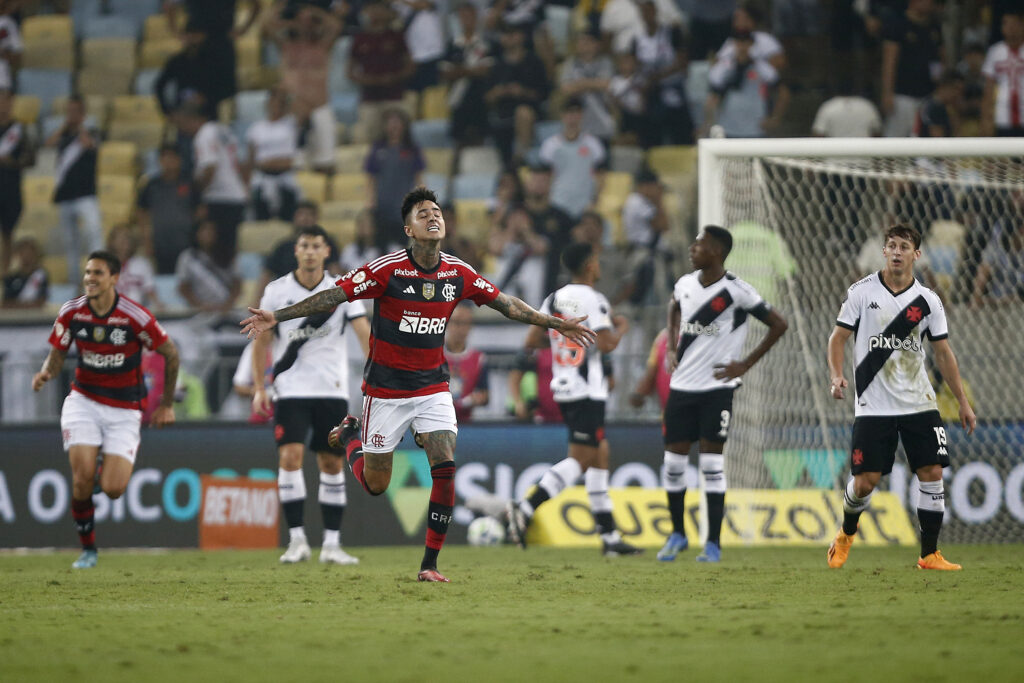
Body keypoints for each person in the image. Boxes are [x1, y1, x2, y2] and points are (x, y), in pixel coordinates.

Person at [241, 187, 597, 582]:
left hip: (432, 386)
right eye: (423, 213)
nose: (433, 217)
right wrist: (280, 316)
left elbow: (508, 304)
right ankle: (349, 438)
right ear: (408, 228)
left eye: (437, 211)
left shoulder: (457, 273)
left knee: (445, 465)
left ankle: (429, 565)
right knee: (376, 485)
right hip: (385, 390)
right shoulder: (387, 270)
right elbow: (332, 297)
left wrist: (553, 322)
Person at [827, 224, 976, 570]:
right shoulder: (861, 292)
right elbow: (837, 339)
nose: (896, 252)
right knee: (865, 483)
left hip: (919, 401)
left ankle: (929, 554)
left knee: (932, 471)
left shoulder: (928, 301)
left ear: (916, 255)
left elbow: (942, 353)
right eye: (891, 246)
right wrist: (836, 376)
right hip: (873, 404)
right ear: (884, 251)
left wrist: (963, 402)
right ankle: (846, 534)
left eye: (904, 247)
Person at [32, 250, 179, 569]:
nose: (90, 278)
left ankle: (103, 469)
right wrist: (46, 372)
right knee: (82, 478)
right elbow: (57, 352)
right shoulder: (72, 312)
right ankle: (88, 550)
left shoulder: (134, 316)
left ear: (114, 278)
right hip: (83, 401)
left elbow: (171, 354)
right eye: (87, 272)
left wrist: (166, 405)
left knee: (113, 489)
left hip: (125, 409)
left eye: (98, 273)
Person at [656, 226, 788, 563]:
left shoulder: (737, 291)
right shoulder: (684, 284)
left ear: (716, 251)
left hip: (716, 390)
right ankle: (677, 535)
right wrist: (672, 344)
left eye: (699, 243)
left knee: (712, 466)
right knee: (673, 464)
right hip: (681, 388)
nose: (692, 247)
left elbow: (779, 324)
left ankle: (712, 543)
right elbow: (673, 308)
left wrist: (744, 364)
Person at [505, 242, 639, 556]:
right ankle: (524, 508)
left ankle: (609, 538)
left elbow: (531, 338)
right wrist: (620, 328)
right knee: (583, 458)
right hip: (587, 390)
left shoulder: (554, 298)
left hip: (564, 385)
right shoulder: (595, 299)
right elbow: (606, 345)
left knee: (600, 453)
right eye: (597, 260)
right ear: (591, 264)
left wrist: (562, 347)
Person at [251, 224, 371, 565]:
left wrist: (376, 372)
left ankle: (332, 545)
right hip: (289, 390)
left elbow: (364, 333)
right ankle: (297, 540)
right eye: (304, 245)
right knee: (289, 458)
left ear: (326, 251)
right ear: (296, 250)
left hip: (331, 389)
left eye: (316, 245)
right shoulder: (276, 291)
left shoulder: (343, 290)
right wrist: (260, 386)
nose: (309, 251)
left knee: (331, 462)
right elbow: (262, 339)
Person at [263, 2, 342, 173]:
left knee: (326, 162)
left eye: (309, 21)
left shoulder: (323, 46)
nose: (305, 24)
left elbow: (336, 25)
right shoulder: (286, 47)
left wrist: (313, 11)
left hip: (320, 106)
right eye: (301, 21)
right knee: (295, 165)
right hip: (294, 111)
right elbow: (267, 24)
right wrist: (287, 11)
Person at [177, 101, 247, 268]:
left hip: (219, 197)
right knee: (229, 248)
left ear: (192, 118)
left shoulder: (203, 135)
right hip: (236, 195)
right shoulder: (222, 130)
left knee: (216, 249)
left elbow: (209, 167)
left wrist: (199, 195)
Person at [47, 95, 102, 286]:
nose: (72, 115)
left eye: (76, 111)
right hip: (66, 195)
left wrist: (79, 127)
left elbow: (89, 144)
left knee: (93, 235)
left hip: (86, 195)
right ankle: (73, 282)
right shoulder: (62, 134)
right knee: (71, 244)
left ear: (83, 113)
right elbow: (48, 144)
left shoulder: (91, 131)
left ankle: (98, 277)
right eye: (69, 111)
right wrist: (64, 127)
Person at [347, 0, 414, 144]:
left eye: (379, 9)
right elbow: (350, 72)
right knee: (369, 137)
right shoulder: (360, 38)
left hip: (394, 95)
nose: (375, 13)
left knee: (399, 136)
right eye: (371, 9)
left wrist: (394, 77)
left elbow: (410, 65)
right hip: (369, 97)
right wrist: (367, 80)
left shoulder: (396, 36)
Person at [364, 108, 425, 252]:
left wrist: (422, 200)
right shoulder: (378, 148)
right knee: (381, 246)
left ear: (404, 125)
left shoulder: (412, 149)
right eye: (390, 123)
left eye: (397, 122)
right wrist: (370, 200)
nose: (394, 126)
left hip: (402, 205)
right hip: (382, 204)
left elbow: (419, 178)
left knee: (402, 245)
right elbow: (370, 178)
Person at [880, 0, 943, 138]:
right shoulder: (898, 23)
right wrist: (887, 93)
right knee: (895, 140)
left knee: (922, 140)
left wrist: (939, 88)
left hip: (927, 95)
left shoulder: (934, 27)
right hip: (902, 95)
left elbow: (939, 60)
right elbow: (889, 61)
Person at [704, 30, 784, 138]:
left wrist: (774, 118)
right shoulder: (723, 69)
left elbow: (782, 92)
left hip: (756, 129)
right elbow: (712, 96)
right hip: (728, 128)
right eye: (739, 43)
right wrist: (708, 124)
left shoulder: (763, 69)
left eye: (746, 43)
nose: (742, 47)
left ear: (752, 45)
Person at [538, 97, 606, 222]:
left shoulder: (594, 145)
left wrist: (594, 201)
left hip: (585, 205)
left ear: (581, 116)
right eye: (569, 113)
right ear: (562, 115)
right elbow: (544, 178)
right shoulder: (550, 146)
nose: (573, 117)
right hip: (557, 203)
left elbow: (600, 177)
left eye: (576, 113)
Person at [136, 144, 197, 275]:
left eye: (172, 157)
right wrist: (147, 240)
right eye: (165, 157)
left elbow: (199, 211)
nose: (169, 161)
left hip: (186, 243)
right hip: (160, 244)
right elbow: (142, 214)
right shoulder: (151, 185)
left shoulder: (189, 183)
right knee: (165, 281)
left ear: (180, 160)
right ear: (159, 161)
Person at [245, 87, 300, 221]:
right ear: (267, 104)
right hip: (262, 179)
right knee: (261, 221)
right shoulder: (256, 128)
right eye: (273, 102)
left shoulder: (292, 124)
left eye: (280, 102)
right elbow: (251, 160)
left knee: (288, 221)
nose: (276, 105)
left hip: (285, 179)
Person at [176, 219, 241, 312]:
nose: (208, 233)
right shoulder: (187, 257)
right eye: (204, 230)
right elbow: (183, 288)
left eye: (211, 230)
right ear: (196, 234)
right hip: (200, 310)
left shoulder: (229, 254)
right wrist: (200, 305)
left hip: (226, 309)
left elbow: (237, 284)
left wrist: (228, 304)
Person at [0, 88, 32, 276]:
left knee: (9, 234)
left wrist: (12, 162)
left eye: (6, 101)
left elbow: (31, 158)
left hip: (10, 189)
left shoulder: (19, 130)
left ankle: (5, 275)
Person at [981, 8, 1024, 137]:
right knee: (1004, 156)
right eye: (1005, 24)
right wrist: (986, 119)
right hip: (1002, 116)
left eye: (1014, 24)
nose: (1010, 28)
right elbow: (988, 88)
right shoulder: (995, 52)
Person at [444, 303, 489, 423]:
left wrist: (477, 399)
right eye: (456, 322)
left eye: (465, 323)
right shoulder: (433, 355)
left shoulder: (479, 359)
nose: (460, 329)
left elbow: (485, 395)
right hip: (436, 423)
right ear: (447, 323)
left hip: (466, 424)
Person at [108, 225, 160, 310]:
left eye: (126, 238)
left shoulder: (142, 264)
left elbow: (150, 290)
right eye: (119, 238)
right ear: (112, 242)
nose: (123, 241)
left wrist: (157, 304)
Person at [2, 236, 47, 308]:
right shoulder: (11, 277)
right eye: (23, 252)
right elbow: (5, 302)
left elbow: (41, 301)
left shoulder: (40, 275)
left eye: (30, 252)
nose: (27, 255)